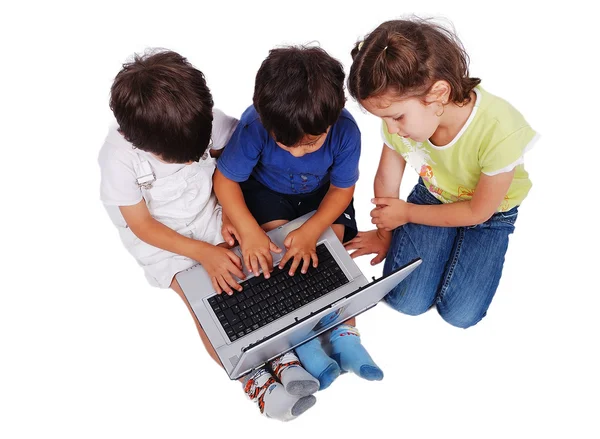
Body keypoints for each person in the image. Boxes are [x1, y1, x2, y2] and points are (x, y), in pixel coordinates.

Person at [98, 49, 318, 421]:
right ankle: (254, 381)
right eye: (177, 158)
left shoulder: (201, 121)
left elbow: (231, 165)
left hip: (211, 214)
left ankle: (282, 357)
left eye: (195, 153)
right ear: (138, 140)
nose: (190, 161)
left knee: (254, 275)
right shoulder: (118, 159)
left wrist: (233, 213)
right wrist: (203, 253)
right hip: (165, 243)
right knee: (211, 303)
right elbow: (142, 226)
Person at [345, 18, 538, 328]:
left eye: (396, 117)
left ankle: (449, 246)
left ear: (438, 94)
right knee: (405, 301)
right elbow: (386, 178)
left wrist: (406, 214)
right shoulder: (403, 119)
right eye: (385, 119)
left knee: (461, 315)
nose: (391, 129)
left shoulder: (500, 129)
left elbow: (478, 211)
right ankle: (437, 241)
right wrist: (385, 234)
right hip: (432, 197)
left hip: (490, 215)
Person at [213, 46, 384, 391]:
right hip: (269, 194)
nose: (297, 152)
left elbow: (341, 190)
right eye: (286, 144)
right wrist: (248, 231)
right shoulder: (255, 125)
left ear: (335, 116)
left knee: (327, 253)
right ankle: (303, 341)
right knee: (284, 257)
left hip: (324, 197)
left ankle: (345, 335)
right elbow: (225, 180)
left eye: (310, 144)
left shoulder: (346, 132)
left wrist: (313, 230)